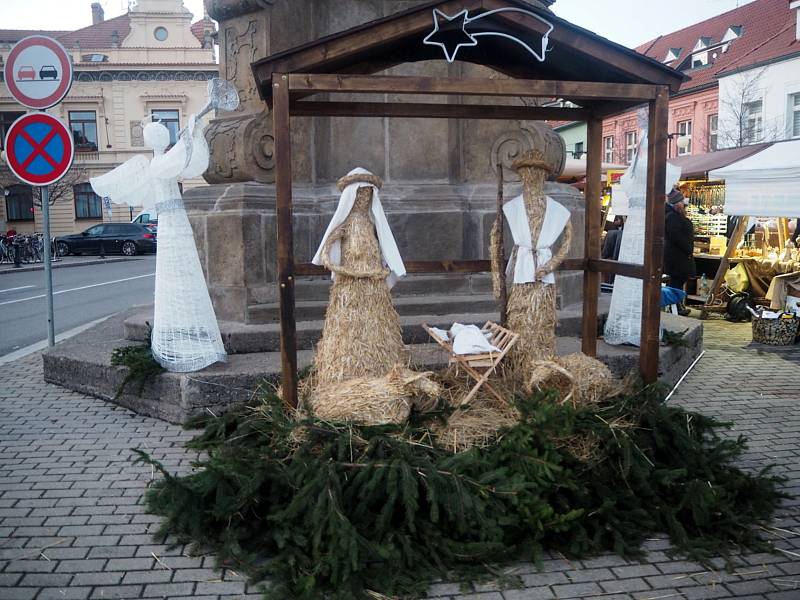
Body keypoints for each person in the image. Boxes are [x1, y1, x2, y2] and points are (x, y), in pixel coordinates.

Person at [664, 187, 695, 315]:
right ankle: (675, 307)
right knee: (676, 282)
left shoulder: (673, 215)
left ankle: (676, 305)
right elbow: (676, 236)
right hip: (677, 257)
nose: (684, 204)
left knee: (677, 281)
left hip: (678, 256)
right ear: (677, 204)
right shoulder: (672, 217)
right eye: (682, 202)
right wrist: (688, 247)